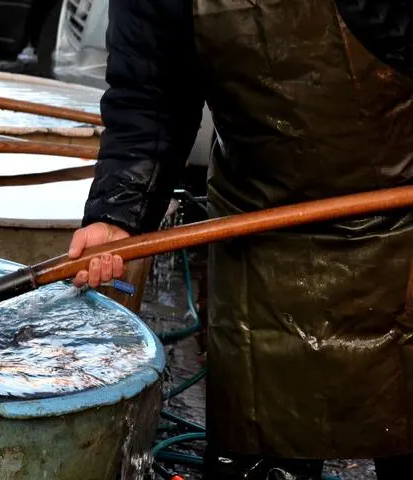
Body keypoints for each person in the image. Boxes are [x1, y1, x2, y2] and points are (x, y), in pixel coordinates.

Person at [67, 0, 413, 478]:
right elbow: (150, 94)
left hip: (403, 221)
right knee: (263, 454)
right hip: (263, 237)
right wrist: (118, 214)